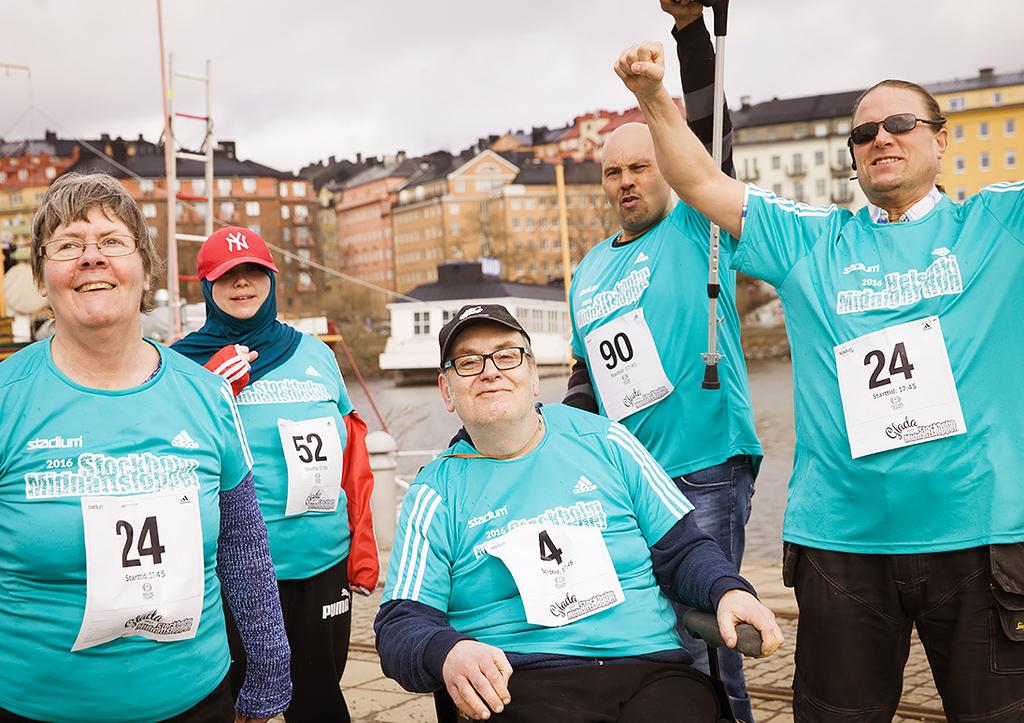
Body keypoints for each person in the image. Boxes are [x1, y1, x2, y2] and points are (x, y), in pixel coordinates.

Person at [615, 36, 1024, 722]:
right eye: (864, 132)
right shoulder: (814, 239)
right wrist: (654, 95)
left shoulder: (997, 222)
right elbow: (701, 184)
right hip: (843, 547)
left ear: (941, 141)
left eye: (901, 125)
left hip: (981, 543)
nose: (881, 139)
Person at [374, 304, 782, 722]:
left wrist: (727, 589)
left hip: (650, 674)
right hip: (522, 684)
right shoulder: (436, 493)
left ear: (533, 375)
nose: (490, 370)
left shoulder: (608, 441)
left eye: (506, 355)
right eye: (468, 362)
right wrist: (447, 652)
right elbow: (400, 623)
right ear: (446, 390)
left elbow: (683, 549)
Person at [0, 172, 291, 722]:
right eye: (68, 245)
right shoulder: (6, 400)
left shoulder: (206, 393)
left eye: (112, 242)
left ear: (146, 268)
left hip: (195, 701)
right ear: (42, 274)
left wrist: (270, 673)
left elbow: (243, 548)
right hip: (36, 706)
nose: (92, 258)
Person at [564, 4, 761, 719]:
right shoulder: (586, 271)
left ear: (667, 170)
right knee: (648, 650)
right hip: (628, 484)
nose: (625, 181)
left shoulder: (697, 225)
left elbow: (712, 136)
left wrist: (687, 34)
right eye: (613, 171)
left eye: (641, 166)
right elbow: (585, 386)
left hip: (705, 465)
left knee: (709, 645)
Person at [173, 226, 379, 723]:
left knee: (321, 701)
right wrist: (210, 396)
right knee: (240, 705)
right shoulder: (181, 365)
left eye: (254, 273)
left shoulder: (316, 354)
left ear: (271, 279)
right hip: (233, 574)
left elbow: (354, 459)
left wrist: (362, 548)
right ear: (206, 286)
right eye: (228, 277)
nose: (243, 285)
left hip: (321, 564)